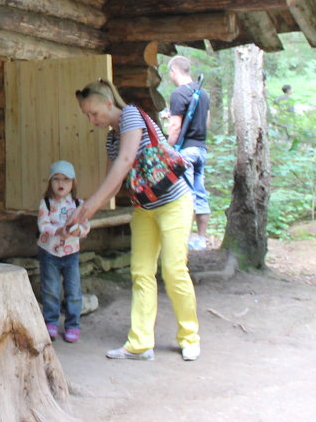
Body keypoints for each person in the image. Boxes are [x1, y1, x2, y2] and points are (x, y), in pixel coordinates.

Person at [66, 78, 200, 362]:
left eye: (94, 113)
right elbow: (112, 183)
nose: (92, 120)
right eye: (87, 115)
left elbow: (127, 161)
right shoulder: (111, 138)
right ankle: (140, 343)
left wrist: (90, 207)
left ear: (108, 103)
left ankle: (189, 337)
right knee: (141, 273)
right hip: (145, 208)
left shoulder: (131, 116)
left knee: (174, 271)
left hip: (174, 202)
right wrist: (85, 213)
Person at [36, 160, 90, 343]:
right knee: (51, 289)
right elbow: (43, 225)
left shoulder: (78, 204)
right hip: (49, 252)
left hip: (71, 253)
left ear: (73, 183)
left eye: (66, 179)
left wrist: (77, 231)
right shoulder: (45, 203)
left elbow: (85, 226)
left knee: (73, 290)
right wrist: (57, 231)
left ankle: (73, 324)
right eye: (56, 179)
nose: (61, 183)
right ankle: (51, 321)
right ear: (50, 182)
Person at [166, 56, 211, 249]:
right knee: (200, 193)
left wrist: (167, 149)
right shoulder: (204, 94)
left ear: (173, 71)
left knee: (185, 195)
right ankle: (201, 239)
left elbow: (175, 127)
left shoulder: (178, 94)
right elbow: (206, 123)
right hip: (201, 148)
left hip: (186, 151)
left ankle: (184, 239)